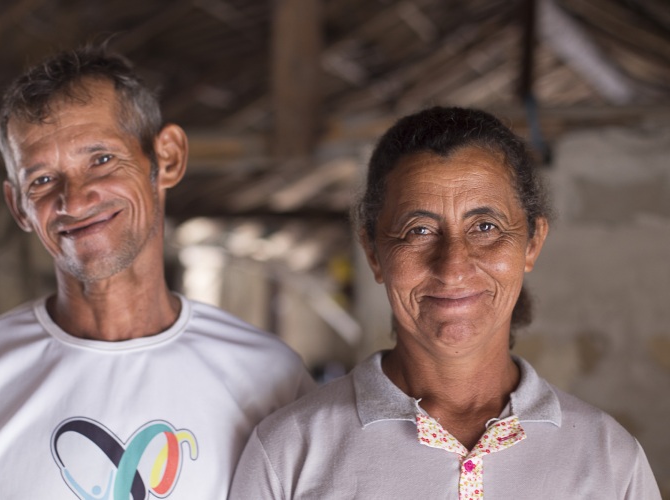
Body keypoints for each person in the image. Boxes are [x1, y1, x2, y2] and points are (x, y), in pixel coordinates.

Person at [0, 44, 315, 499]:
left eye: (101, 159)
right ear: (20, 208)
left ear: (166, 158)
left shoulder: (270, 376)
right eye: (43, 180)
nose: (74, 200)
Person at [228, 107, 661, 499]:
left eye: (486, 226)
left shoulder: (607, 458)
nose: (453, 267)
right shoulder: (290, 453)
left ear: (532, 243)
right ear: (374, 253)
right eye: (418, 230)